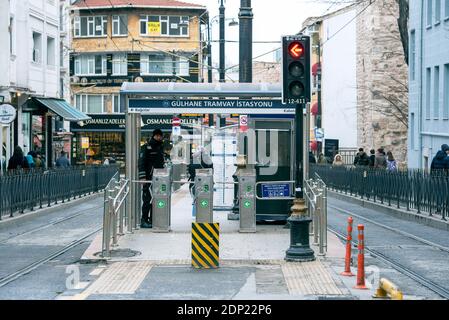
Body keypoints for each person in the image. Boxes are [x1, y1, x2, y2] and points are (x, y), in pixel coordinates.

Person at [139, 129, 165, 228]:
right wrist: (142, 177)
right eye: (157, 136)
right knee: (147, 199)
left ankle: (152, 219)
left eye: (160, 136)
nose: (158, 137)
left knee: (156, 199)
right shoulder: (146, 147)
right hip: (148, 178)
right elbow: (141, 163)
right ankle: (144, 220)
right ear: (153, 136)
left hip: (159, 178)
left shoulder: (160, 147)